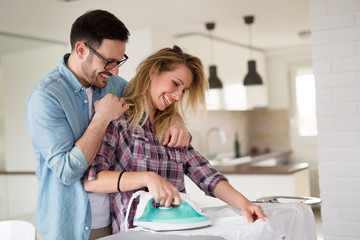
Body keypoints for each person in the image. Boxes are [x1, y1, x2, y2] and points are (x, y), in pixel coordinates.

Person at [25, 10, 190, 240]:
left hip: (112, 225)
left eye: (119, 61)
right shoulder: (46, 97)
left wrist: (175, 118)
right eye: (109, 62)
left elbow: (154, 99)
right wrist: (101, 118)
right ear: (81, 50)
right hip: (64, 230)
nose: (115, 70)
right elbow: (67, 171)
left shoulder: (117, 86)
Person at [83, 45, 266, 234]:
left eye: (184, 90)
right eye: (175, 83)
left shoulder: (172, 129)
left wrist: (244, 204)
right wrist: (148, 179)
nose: (178, 96)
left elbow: (205, 174)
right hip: (136, 233)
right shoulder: (120, 120)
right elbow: (91, 179)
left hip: (179, 232)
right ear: (153, 72)